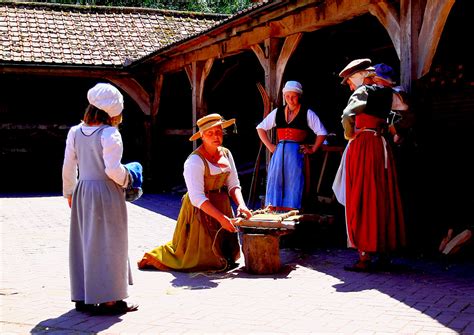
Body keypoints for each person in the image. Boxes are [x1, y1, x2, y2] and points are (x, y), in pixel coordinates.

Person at [138, 113, 252, 272]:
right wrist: (222, 219)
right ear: (202, 137)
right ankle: (154, 258)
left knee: (226, 255)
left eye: (218, 132)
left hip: (222, 202)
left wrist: (242, 205)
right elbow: (197, 198)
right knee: (201, 260)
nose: (216, 136)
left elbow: (233, 183)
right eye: (210, 133)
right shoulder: (194, 161)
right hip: (200, 209)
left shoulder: (226, 153)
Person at [62, 83, 138, 315]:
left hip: (83, 190)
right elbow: (113, 170)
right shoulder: (110, 134)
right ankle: (109, 301)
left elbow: (68, 166)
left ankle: (84, 296)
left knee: (85, 242)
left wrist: (69, 192)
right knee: (111, 243)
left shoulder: (75, 131)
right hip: (106, 192)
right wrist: (130, 177)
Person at [332, 58, 406, 272]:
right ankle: (383, 251)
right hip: (380, 147)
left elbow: (347, 115)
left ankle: (364, 255)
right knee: (381, 197)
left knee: (360, 197)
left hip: (362, 146)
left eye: (349, 80)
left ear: (358, 76)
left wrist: (349, 134)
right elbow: (401, 113)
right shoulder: (388, 94)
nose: (349, 85)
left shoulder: (363, 92)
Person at [256, 81, 327, 211]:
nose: (290, 99)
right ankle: (274, 210)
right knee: (276, 180)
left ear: (299, 96)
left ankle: (292, 210)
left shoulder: (307, 113)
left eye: (293, 96)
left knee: (294, 181)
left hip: (296, 154)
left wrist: (312, 149)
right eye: (287, 96)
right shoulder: (278, 112)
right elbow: (260, 128)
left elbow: (322, 132)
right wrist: (270, 146)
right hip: (279, 154)